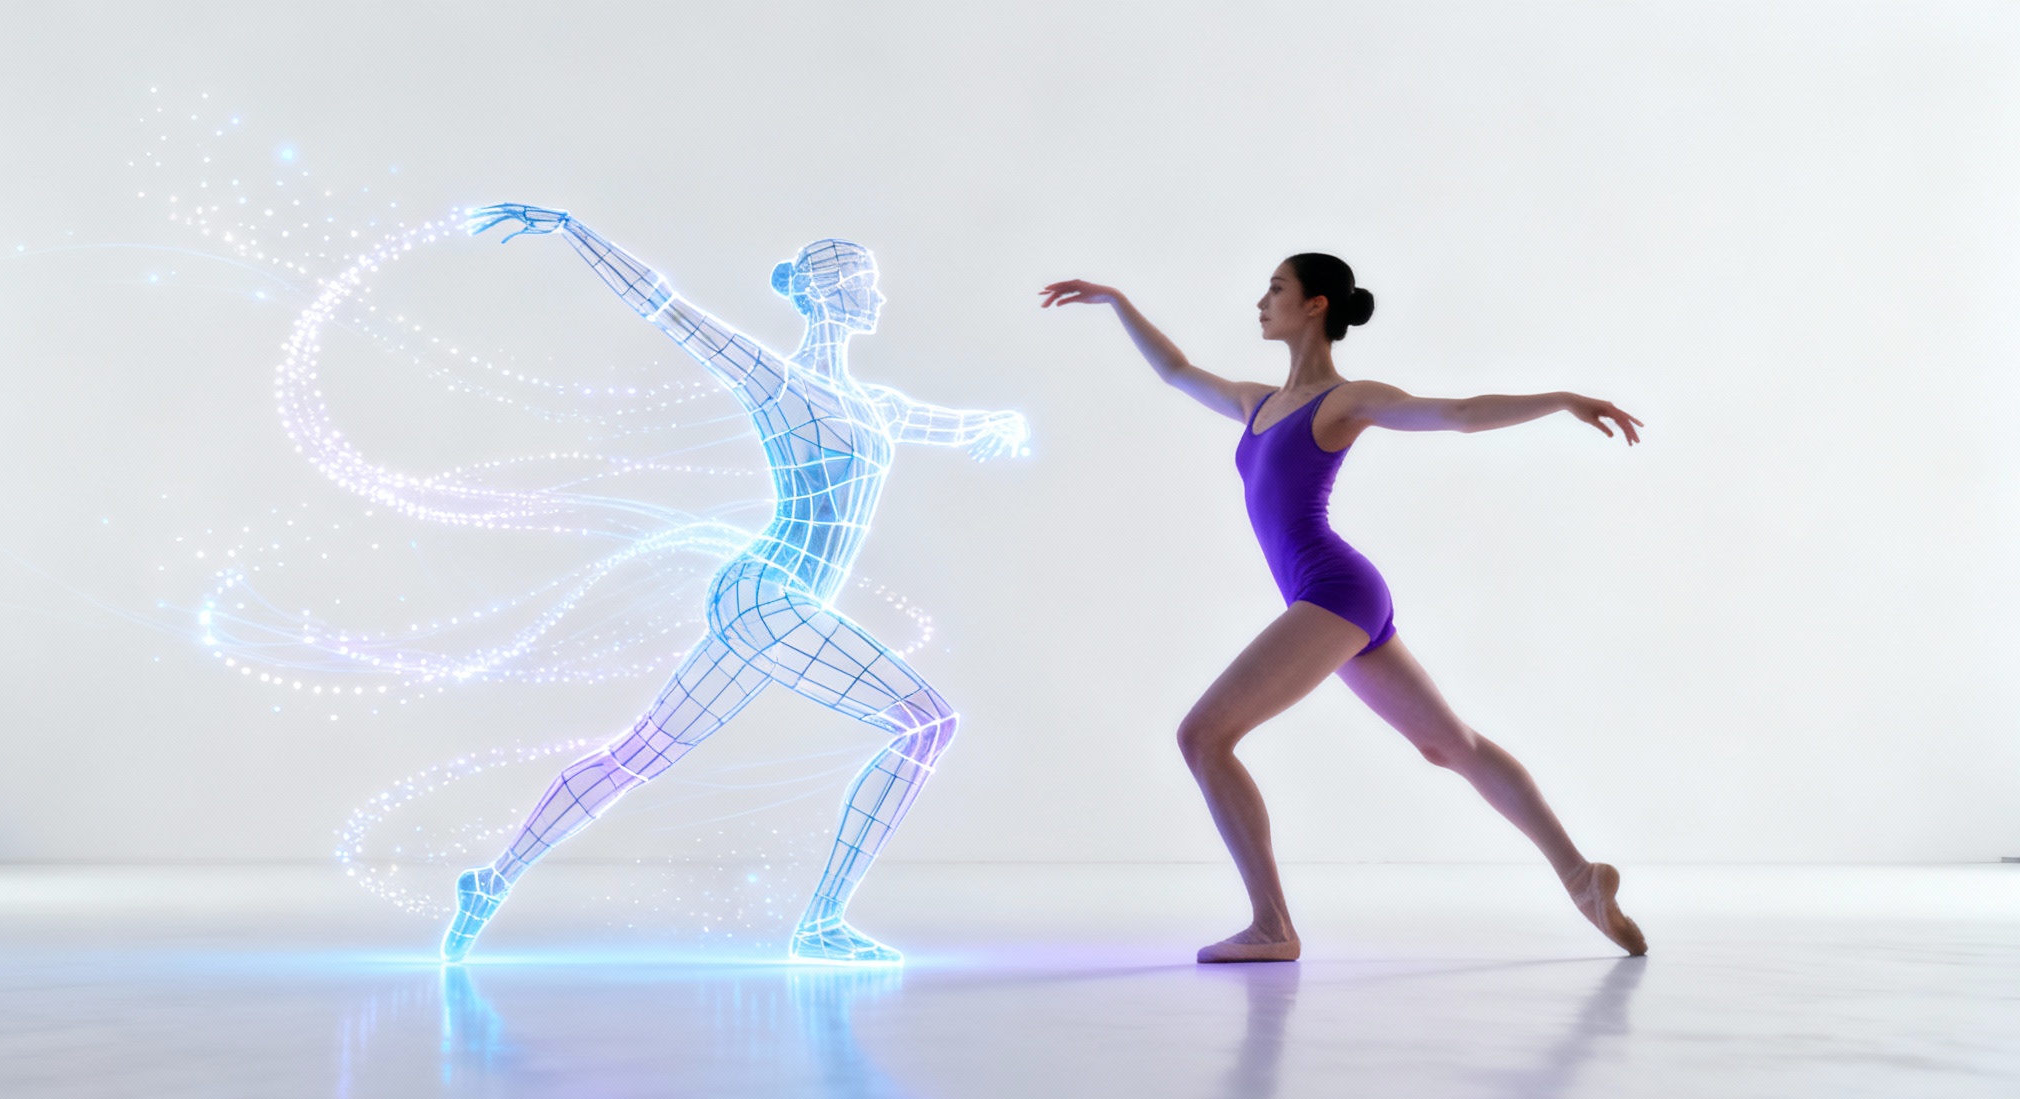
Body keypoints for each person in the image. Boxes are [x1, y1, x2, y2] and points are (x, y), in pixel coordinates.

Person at [440, 205, 1030, 964]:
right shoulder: (778, 383)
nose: (877, 297)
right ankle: (820, 924)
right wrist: (571, 229)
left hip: (778, 604)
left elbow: (957, 425)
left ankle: (488, 882)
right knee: (925, 721)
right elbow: (664, 306)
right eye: (862, 282)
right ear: (826, 293)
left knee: (638, 755)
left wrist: (1001, 425)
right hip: (767, 592)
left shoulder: (875, 406)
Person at [1041, 255, 1646, 962]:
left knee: (1203, 736)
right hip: (1326, 595)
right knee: (1449, 745)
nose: (1261, 300)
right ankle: (1583, 878)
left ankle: (1272, 927)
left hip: (1334, 590)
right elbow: (1175, 370)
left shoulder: (1346, 400)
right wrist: (1118, 301)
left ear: (1316, 305)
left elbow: (1455, 415)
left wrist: (1560, 398)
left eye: (1276, 288)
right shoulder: (1256, 402)